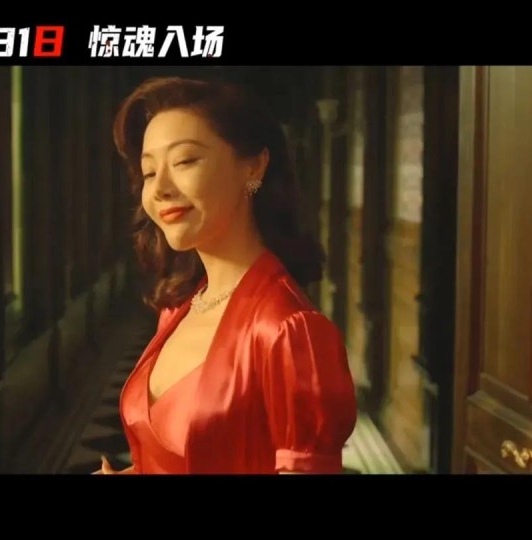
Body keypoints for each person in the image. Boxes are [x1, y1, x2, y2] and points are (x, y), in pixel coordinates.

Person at [94, 76, 357, 475]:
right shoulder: (181, 308)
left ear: (253, 167)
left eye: (184, 161)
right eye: (148, 172)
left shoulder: (288, 330)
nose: (160, 188)